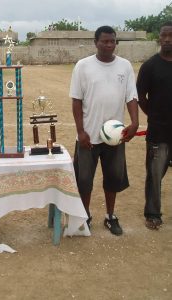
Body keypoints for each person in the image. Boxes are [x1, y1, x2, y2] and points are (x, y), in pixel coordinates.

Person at [69, 25, 139, 236]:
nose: (109, 45)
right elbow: (76, 101)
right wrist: (81, 132)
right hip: (88, 136)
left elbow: (131, 97)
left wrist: (134, 123)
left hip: (115, 136)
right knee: (84, 181)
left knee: (113, 178)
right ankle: (85, 216)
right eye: (104, 41)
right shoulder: (83, 66)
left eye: (112, 41)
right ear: (95, 42)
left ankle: (110, 216)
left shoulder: (125, 66)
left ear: (116, 42)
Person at [136, 21, 172, 230]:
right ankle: (153, 214)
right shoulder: (150, 66)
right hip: (159, 131)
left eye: (171, 36)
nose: (167, 39)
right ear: (159, 38)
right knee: (155, 173)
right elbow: (140, 96)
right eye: (164, 36)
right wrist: (155, 115)